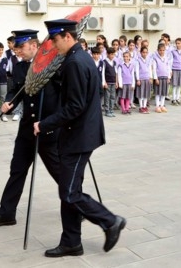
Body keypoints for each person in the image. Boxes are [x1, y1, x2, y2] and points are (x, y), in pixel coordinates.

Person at [33, 19, 125, 258]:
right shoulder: (80, 57)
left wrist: (44, 124)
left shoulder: (75, 61)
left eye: (54, 40)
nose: (53, 45)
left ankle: (110, 221)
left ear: (67, 36)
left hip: (78, 137)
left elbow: (74, 106)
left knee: (70, 193)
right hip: (81, 135)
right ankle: (71, 242)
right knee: (69, 188)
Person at [0, 29, 61, 227]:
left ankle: (78, 206)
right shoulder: (19, 67)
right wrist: (9, 102)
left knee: (59, 172)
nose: (16, 51)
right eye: (15, 47)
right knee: (17, 170)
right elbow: (16, 90)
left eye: (20, 47)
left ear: (34, 45)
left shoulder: (51, 65)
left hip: (46, 129)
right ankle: (7, 212)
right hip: (27, 128)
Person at [152, 42, 172, 113]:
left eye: (163, 50)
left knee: (163, 92)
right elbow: (154, 69)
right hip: (159, 78)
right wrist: (156, 78)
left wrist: (169, 77)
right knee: (158, 93)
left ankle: (162, 105)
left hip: (165, 77)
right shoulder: (155, 59)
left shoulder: (166, 58)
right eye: (160, 50)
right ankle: (157, 106)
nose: (162, 52)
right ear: (158, 50)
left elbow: (168, 67)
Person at [7, 40, 24, 121]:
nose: (16, 51)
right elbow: (9, 69)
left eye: (17, 49)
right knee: (17, 95)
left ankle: (22, 111)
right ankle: (17, 112)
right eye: (15, 50)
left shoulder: (25, 59)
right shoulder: (12, 58)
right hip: (15, 79)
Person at [135, 46, 153, 114]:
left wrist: (150, 77)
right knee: (141, 94)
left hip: (147, 79)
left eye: (146, 52)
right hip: (141, 79)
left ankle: (145, 106)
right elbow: (137, 70)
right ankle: (141, 107)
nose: (144, 54)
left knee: (145, 94)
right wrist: (138, 79)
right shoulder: (138, 60)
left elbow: (149, 69)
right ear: (141, 53)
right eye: (143, 52)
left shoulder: (148, 60)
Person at [101, 47, 118, 118]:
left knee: (112, 96)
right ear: (107, 54)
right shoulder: (104, 62)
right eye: (111, 54)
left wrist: (117, 82)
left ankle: (111, 109)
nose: (112, 56)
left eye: (113, 54)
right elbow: (103, 73)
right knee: (107, 97)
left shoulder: (114, 62)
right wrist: (104, 82)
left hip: (113, 82)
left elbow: (116, 73)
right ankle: (107, 110)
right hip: (107, 82)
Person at [170, 38, 181, 106]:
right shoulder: (173, 52)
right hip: (174, 69)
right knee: (174, 85)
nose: (177, 45)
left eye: (179, 43)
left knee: (179, 85)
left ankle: (178, 98)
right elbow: (171, 61)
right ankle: (173, 99)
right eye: (176, 43)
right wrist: (171, 70)